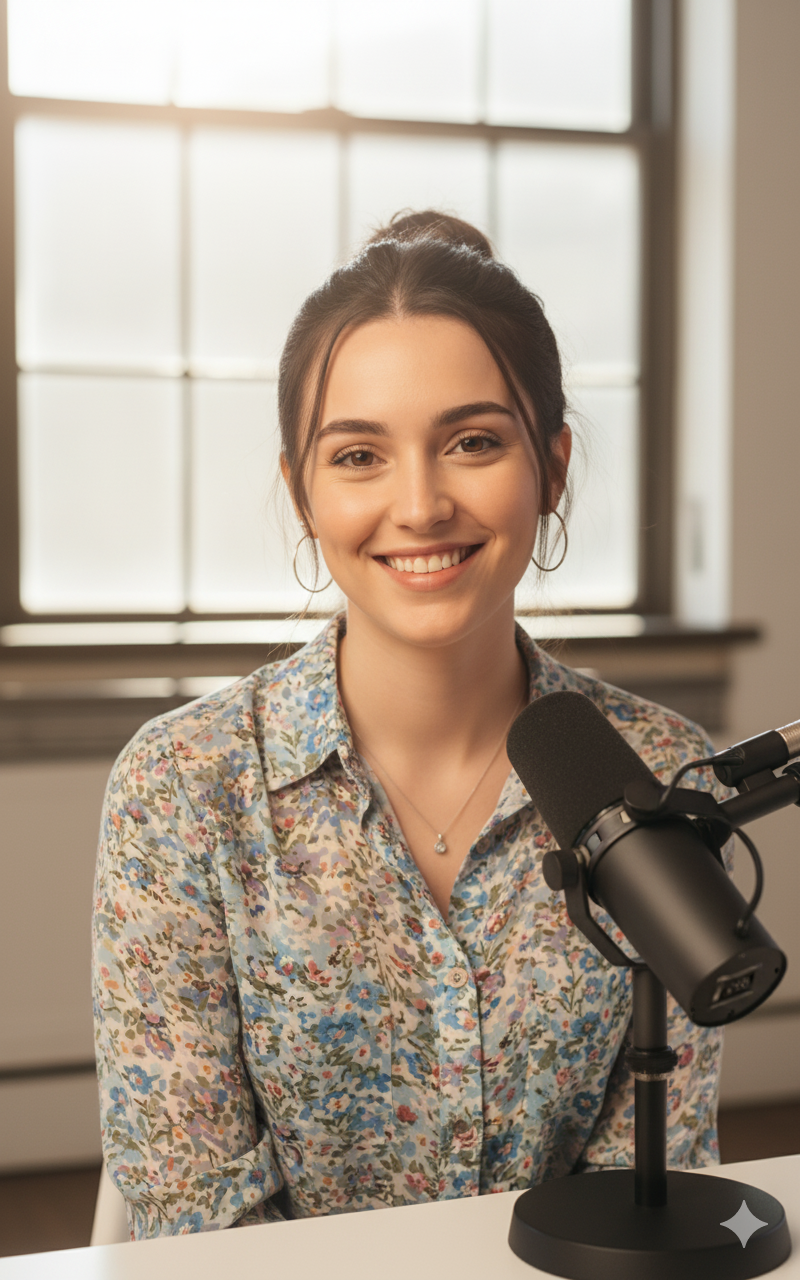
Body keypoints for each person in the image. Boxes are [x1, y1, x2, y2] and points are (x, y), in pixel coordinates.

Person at [92, 210, 727, 1240]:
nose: (421, 503)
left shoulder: (657, 770)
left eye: (472, 442)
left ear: (552, 467)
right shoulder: (182, 786)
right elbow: (197, 1213)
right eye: (358, 455)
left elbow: (645, 1191)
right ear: (301, 489)